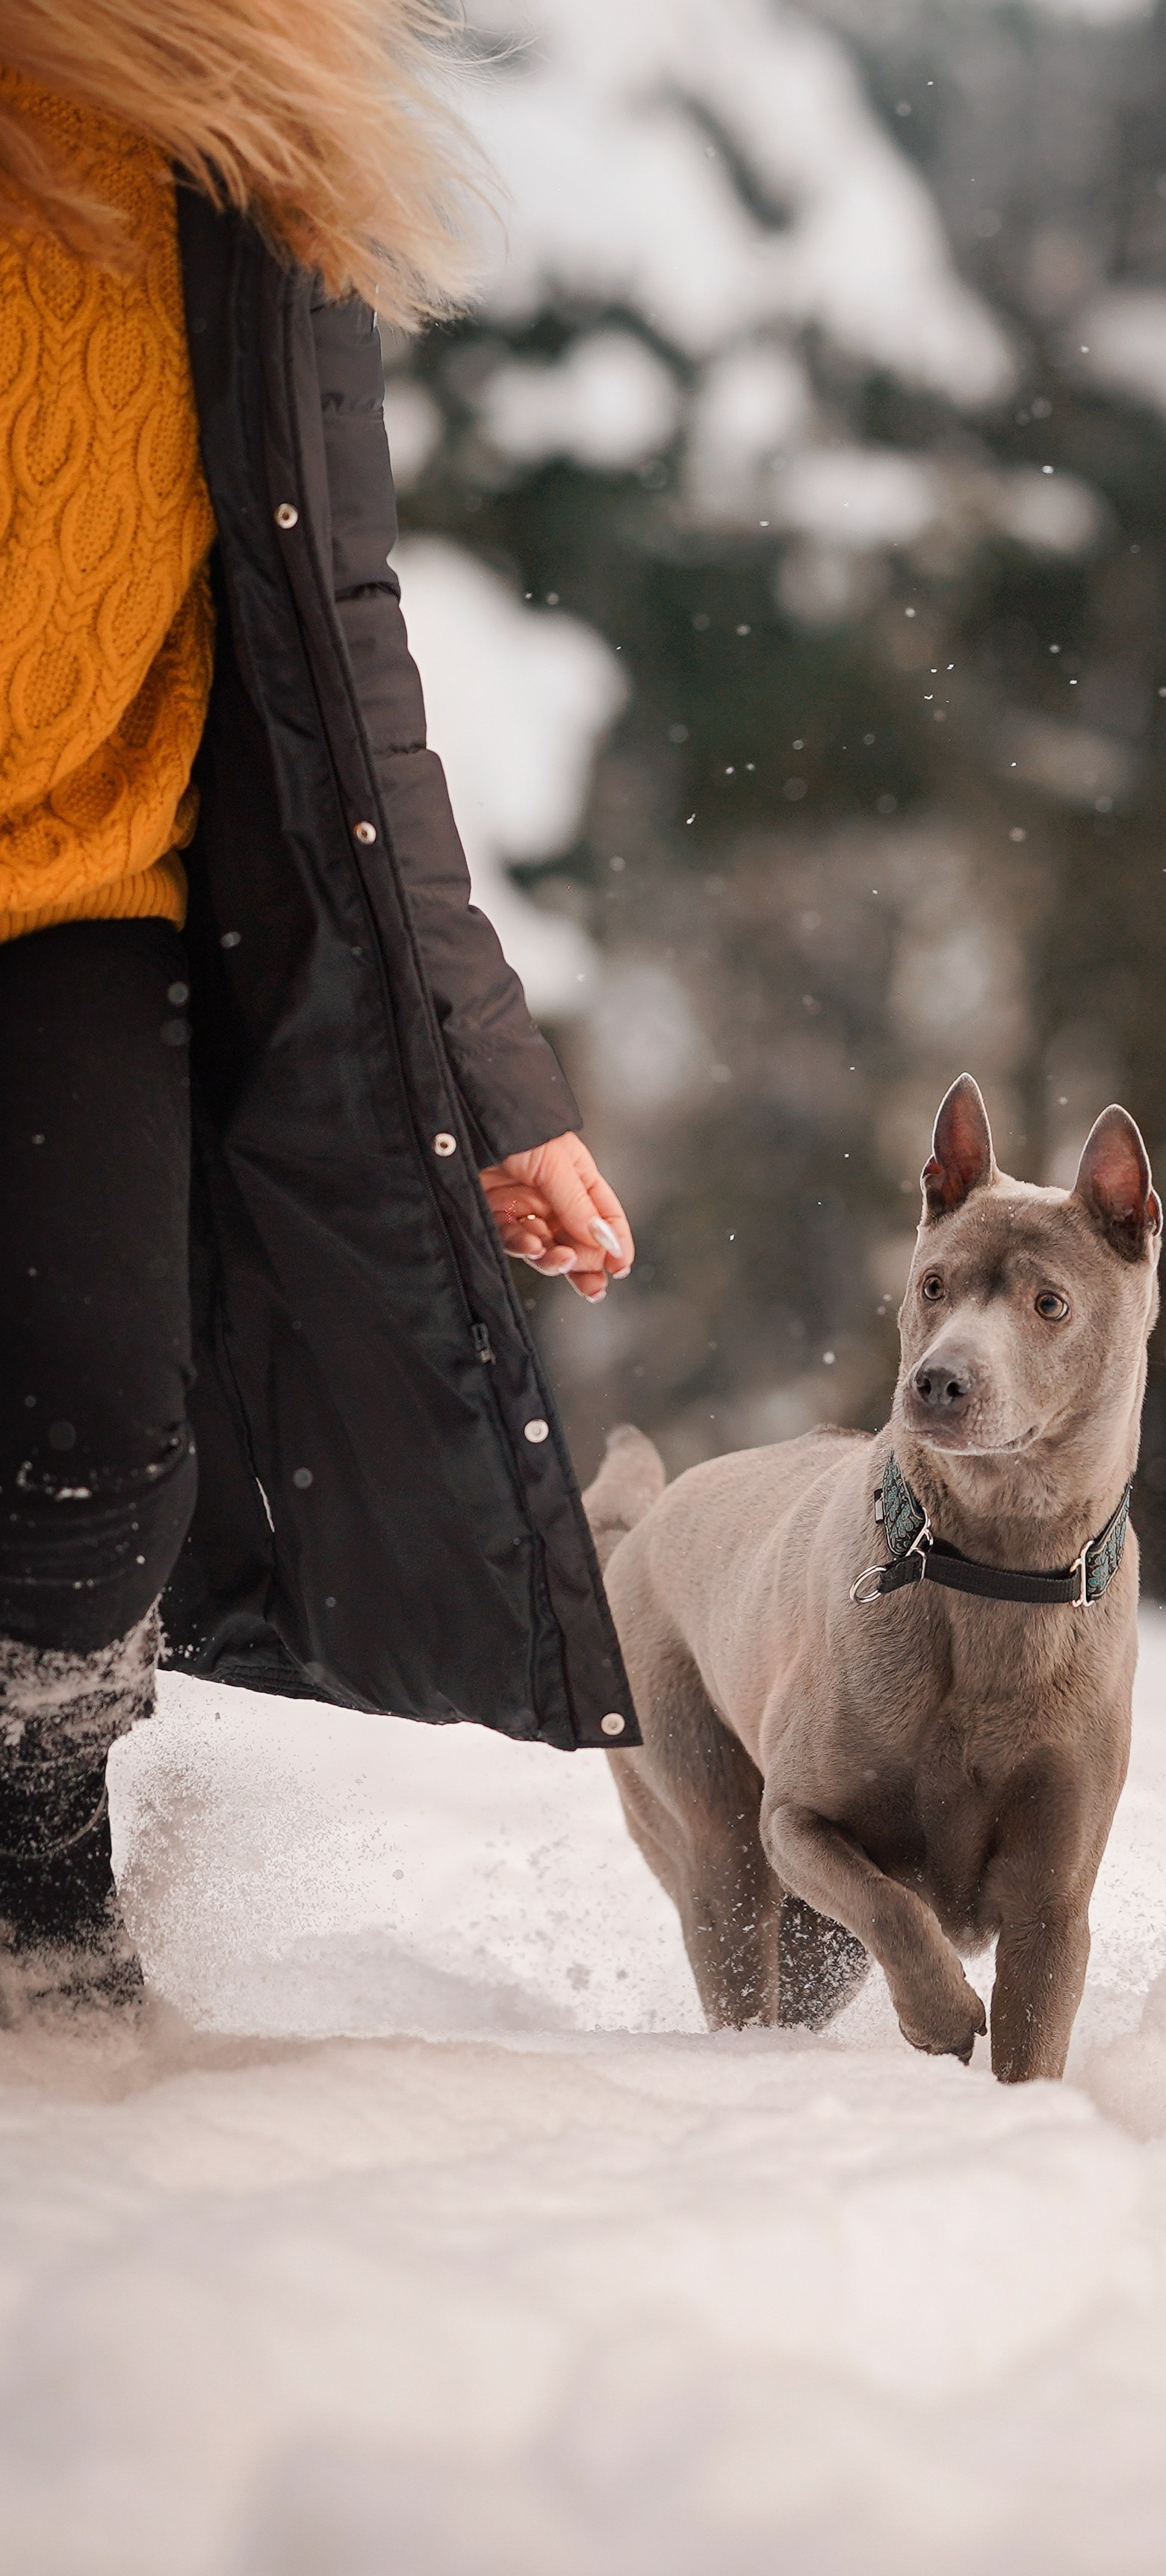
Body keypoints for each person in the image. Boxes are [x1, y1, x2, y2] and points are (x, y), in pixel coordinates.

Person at [0, 0, 639, 2014]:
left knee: (105, 1437)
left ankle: (31, 1854)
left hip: (77, 892)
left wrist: (491, 1074)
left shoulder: (257, 158)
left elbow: (345, 645)